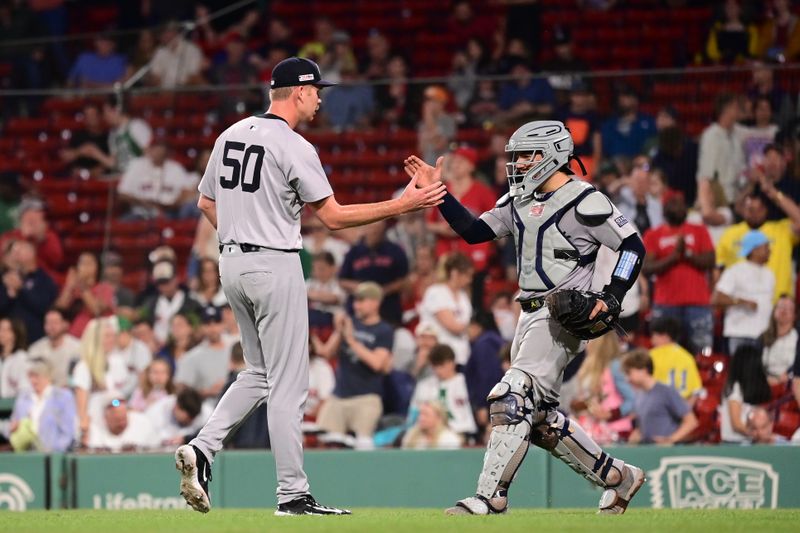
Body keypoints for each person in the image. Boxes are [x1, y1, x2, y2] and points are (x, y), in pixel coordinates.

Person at [176, 56, 445, 516]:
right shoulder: (294, 145)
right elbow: (334, 217)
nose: (321, 98)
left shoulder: (230, 134)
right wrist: (405, 204)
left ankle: (202, 447)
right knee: (288, 386)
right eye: (317, 90)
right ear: (298, 92)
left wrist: (242, 236)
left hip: (231, 263)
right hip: (274, 264)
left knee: (259, 373)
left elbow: (205, 202)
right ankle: (292, 495)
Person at [403, 119, 647, 515]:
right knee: (540, 420)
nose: (518, 164)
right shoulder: (519, 199)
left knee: (511, 397)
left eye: (527, 155)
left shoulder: (584, 199)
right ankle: (617, 476)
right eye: (516, 156)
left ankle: (490, 497)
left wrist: (612, 295)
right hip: (527, 317)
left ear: (554, 154)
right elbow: (473, 231)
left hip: (560, 317)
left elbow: (632, 246)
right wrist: (439, 194)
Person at [313, 282, 394, 447]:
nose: (357, 306)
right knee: (323, 442)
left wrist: (351, 340)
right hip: (339, 396)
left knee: (363, 445)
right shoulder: (349, 324)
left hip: (366, 398)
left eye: (362, 301)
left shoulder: (384, 330)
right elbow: (327, 353)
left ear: (375, 302)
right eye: (356, 301)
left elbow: (377, 363)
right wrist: (338, 331)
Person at [716, 190, 800, 301]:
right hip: (741, 304)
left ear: (766, 210)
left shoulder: (781, 230)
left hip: (778, 304)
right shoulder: (730, 233)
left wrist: (775, 195)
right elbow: (719, 268)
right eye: (750, 209)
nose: (754, 213)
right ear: (743, 210)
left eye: (759, 209)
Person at [712, 230, 775, 355]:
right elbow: (716, 299)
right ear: (754, 250)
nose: (769, 251)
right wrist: (742, 302)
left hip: (764, 335)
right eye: (766, 247)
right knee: (741, 374)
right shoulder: (735, 271)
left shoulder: (770, 274)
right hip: (740, 334)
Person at [339, 221, 409, 325]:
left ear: (383, 231)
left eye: (378, 230)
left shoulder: (395, 251)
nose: (374, 232)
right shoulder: (354, 252)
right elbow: (342, 280)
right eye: (372, 229)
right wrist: (362, 288)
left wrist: (383, 291)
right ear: (365, 230)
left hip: (388, 307)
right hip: (358, 309)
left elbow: (404, 280)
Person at [622, 349, 698, 445]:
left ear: (643, 370)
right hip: (647, 452)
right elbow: (642, 428)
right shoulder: (639, 395)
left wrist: (671, 440)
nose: (627, 379)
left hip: (666, 455)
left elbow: (691, 421)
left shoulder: (666, 392)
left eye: (629, 373)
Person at [571, 333, 635, 445]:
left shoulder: (615, 366)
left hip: (615, 432)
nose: (586, 343)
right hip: (593, 431)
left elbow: (633, 399)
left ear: (599, 343)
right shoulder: (587, 366)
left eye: (589, 340)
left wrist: (611, 413)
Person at [696, 93, 744, 227]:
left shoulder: (735, 136)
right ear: (726, 109)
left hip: (734, 199)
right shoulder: (711, 136)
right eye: (735, 107)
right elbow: (706, 174)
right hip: (718, 201)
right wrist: (707, 203)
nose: (738, 110)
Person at [118, 140, 198, 220]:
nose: (157, 153)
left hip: (169, 213)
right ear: (150, 150)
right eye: (155, 149)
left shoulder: (175, 168)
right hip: (139, 213)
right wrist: (141, 201)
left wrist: (175, 203)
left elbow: (190, 190)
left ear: (166, 154)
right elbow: (122, 194)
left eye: (161, 152)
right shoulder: (137, 165)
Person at [418, 253, 474, 367]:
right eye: (467, 275)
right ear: (455, 273)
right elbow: (453, 326)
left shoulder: (463, 296)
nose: (469, 280)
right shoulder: (435, 292)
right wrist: (473, 328)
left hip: (461, 356)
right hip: (438, 357)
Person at [410, 343, 477, 437]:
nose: (438, 371)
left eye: (442, 366)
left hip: (461, 431)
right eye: (434, 367)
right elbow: (413, 414)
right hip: (430, 432)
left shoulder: (466, 383)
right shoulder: (424, 385)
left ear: (452, 363)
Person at [9, 358, 76, 452]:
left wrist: (55, 452)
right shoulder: (23, 398)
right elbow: (12, 425)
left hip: (53, 455)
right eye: (30, 376)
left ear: (47, 376)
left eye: (36, 376)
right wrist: (13, 427)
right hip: (25, 454)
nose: (33, 380)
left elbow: (68, 433)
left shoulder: (62, 397)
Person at [0, 238, 58, 342]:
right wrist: (10, 293)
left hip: (35, 339)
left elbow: (44, 307)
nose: (16, 254)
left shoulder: (43, 279)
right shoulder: (7, 278)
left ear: (32, 253)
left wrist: (21, 289)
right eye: (14, 251)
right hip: (8, 341)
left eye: (20, 250)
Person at [174, 306, 231, 403]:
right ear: (202, 327)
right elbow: (181, 390)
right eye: (208, 324)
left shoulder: (236, 349)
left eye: (216, 323)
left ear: (223, 324)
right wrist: (206, 392)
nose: (213, 328)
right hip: (206, 409)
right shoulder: (191, 356)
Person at [0, 197, 63, 281]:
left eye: (39, 216)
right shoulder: (8, 236)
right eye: (31, 216)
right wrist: (24, 237)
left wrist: (41, 240)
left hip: (44, 282)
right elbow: (4, 261)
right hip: (16, 281)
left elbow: (57, 260)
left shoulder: (49, 236)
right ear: (22, 218)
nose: (35, 220)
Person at [54, 252, 115, 338]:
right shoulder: (74, 289)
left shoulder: (104, 288)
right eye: (81, 263)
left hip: (96, 337)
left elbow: (96, 310)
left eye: (88, 263)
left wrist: (82, 285)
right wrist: (69, 286)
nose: (84, 267)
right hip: (72, 337)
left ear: (97, 267)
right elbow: (59, 308)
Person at [719, 344, 771, 443]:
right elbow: (736, 424)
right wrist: (757, 434)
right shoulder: (735, 388)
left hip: (748, 442)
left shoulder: (749, 387)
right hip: (733, 444)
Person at [464, 311, 505, 432]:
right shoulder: (496, 340)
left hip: (491, 405)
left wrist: (483, 406)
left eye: (469, 327)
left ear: (477, 326)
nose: (468, 331)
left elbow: (488, 377)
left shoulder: (484, 344)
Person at [648, 317, 703, 405]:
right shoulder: (687, 357)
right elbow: (695, 392)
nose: (652, 340)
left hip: (658, 408)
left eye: (654, 336)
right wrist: (684, 413)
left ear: (665, 336)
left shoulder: (652, 355)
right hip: (682, 406)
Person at [27, 308, 80, 389]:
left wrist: (69, 386)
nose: (51, 327)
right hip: (42, 393)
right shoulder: (35, 349)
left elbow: (78, 377)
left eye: (55, 323)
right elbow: (31, 376)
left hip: (69, 392)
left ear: (64, 324)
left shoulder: (77, 347)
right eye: (48, 323)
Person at [87, 396, 159, 452]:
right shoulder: (95, 428)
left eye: (123, 419)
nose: (121, 423)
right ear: (105, 418)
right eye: (117, 420)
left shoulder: (141, 422)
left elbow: (156, 449)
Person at [600, 88, 656, 160]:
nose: (622, 100)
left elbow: (654, 145)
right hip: (615, 165)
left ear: (635, 100)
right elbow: (605, 149)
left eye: (626, 96)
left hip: (641, 163)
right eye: (620, 97)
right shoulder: (608, 125)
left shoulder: (648, 122)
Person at [59, 102, 113, 177]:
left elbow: (112, 161)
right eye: (87, 115)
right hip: (78, 177)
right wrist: (81, 151)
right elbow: (66, 156)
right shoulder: (77, 136)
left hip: (101, 176)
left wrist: (92, 172)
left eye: (93, 115)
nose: (91, 118)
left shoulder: (109, 137)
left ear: (99, 116)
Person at [102, 96, 153, 173]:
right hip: (123, 176)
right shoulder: (112, 135)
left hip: (140, 174)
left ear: (116, 110)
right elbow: (113, 163)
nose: (105, 117)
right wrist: (94, 153)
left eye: (107, 112)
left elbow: (149, 155)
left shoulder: (136, 126)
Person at [146, 387, 211, 447]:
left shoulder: (207, 412)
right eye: (186, 419)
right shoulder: (157, 410)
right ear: (177, 407)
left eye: (191, 420)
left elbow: (210, 435)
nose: (189, 422)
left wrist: (186, 438)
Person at [150, 21, 205, 88]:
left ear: (175, 32)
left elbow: (194, 76)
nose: (162, 36)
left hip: (186, 91)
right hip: (164, 93)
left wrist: (178, 89)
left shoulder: (192, 50)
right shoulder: (159, 52)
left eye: (166, 32)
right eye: (162, 33)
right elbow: (155, 76)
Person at [761, 296, 798, 385]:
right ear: (774, 311)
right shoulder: (763, 337)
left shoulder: (797, 337)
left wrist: (787, 374)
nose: (783, 310)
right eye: (781, 306)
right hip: (765, 382)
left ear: (795, 315)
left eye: (788, 308)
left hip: (792, 383)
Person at [306, 251, 345, 328]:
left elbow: (334, 298)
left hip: (330, 321)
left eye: (321, 269)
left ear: (333, 268)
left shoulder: (338, 284)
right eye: (315, 268)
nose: (318, 272)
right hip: (312, 320)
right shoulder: (310, 283)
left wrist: (311, 295)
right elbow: (301, 293)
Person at [0, 318, 30, 398]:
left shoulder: (22, 358)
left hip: (14, 405)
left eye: (7, 330)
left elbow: (25, 388)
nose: (2, 333)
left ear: (15, 333)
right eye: (0, 329)